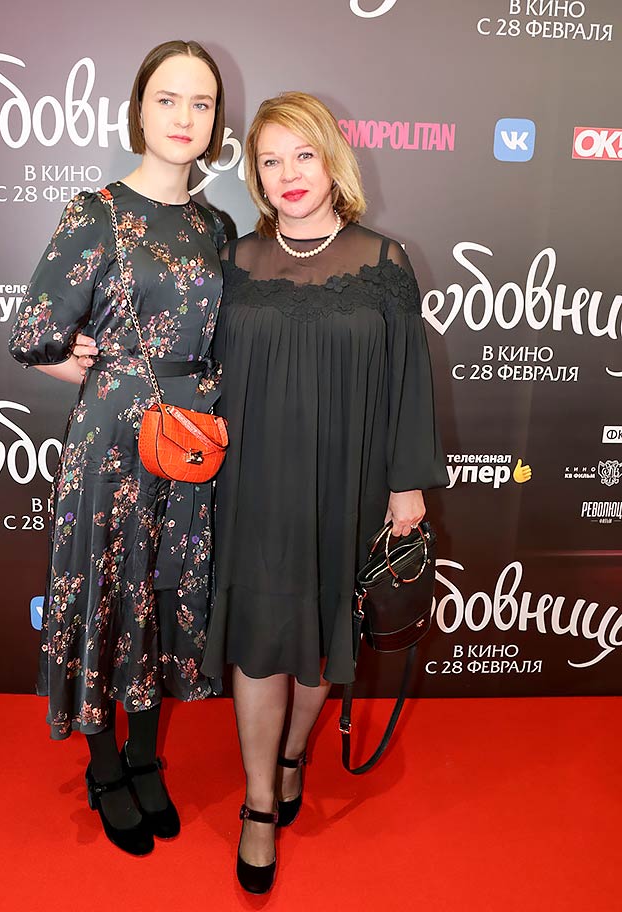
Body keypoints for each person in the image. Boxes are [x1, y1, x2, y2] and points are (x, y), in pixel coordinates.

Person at [200, 92, 447, 893]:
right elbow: (194, 366)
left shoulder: (384, 262)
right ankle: (258, 804)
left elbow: (409, 381)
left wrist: (406, 488)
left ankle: (294, 753)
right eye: (270, 160)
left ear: (332, 160)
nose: (289, 174)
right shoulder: (234, 262)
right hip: (253, 486)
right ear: (255, 175)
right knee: (260, 639)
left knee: (317, 645)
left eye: (302, 154)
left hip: (350, 481)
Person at [8, 40, 227, 857]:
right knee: (107, 586)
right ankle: (104, 765)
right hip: (112, 443)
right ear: (139, 109)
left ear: (216, 120)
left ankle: (143, 754)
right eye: (167, 99)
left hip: (189, 439)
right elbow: (31, 330)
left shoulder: (216, 225)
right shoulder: (94, 211)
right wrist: (81, 365)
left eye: (201, 103)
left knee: (163, 590)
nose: (184, 117)